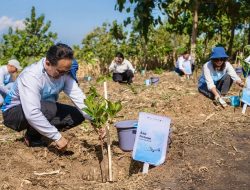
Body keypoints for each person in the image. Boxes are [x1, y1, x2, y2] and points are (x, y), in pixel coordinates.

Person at [1, 43, 91, 150]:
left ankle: (40, 132)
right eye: (61, 71)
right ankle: (32, 137)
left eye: (66, 71)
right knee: (49, 108)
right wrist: (57, 137)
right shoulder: (32, 76)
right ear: (48, 63)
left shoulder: (64, 72)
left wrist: (94, 119)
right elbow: (32, 113)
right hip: (14, 112)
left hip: (44, 106)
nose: (64, 75)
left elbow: (78, 97)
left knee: (77, 115)